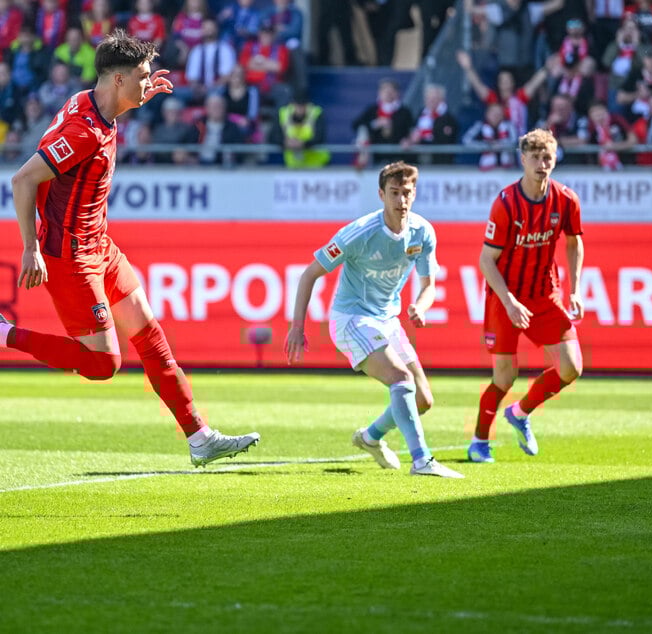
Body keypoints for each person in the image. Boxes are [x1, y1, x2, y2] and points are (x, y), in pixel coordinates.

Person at [0, 29, 259, 467]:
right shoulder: (83, 131)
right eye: (142, 76)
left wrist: (140, 95)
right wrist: (31, 248)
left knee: (150, 335)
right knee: (104, 365)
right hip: (71, 256)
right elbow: (24, 180)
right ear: (117, 79)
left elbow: (104, 109)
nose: (148, 81)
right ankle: (5, 335)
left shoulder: (95, 102)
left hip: (101, 244)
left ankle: (199, 436)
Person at [285, 162, 463, 479]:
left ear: (414, 193)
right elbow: (310, 273)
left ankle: (370, 437)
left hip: (388, 320)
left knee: (422, 399)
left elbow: (429, 286)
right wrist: (297, 327)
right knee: (400, 379)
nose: (401, 201)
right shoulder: (360, 233)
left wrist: (421, 307)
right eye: (394, 193)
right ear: (381, 194)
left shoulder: (423, 231)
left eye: (407, 193)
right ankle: (422, 460)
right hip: (352, 319)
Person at [468, 128, 584, 464]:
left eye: (547, 157)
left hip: (545, 296)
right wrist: (509, 301)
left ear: (555, 159)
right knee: (505, 376)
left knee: (571, 367)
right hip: (505, 297)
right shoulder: (506, 204)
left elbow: (575, 242)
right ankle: (479, 442)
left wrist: (575, 290)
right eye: (534, 157)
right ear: (522, 159)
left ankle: (520, 412)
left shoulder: (566, 200)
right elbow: (486, 260)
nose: (541, 163)